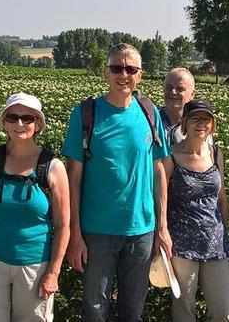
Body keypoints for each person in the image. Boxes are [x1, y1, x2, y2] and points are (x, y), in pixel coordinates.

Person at [63, 43, 171, 321]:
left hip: (142, 230)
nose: (124, 74)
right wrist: (75, 234)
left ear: (140, 76)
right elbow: (72, 179)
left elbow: (158, 170)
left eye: (131, 69)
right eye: (117, 68)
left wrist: (163, 227)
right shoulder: (86, 114)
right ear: (105, 73)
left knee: (133, 312)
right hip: (97, 231)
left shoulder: (149, 113)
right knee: (94, 311)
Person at [0, 92, 70, 322]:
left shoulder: (52, 167)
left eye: (27, 118)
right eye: (12, 117)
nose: (19, 124)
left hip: (36, 267)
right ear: (4, 122)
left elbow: (63, 226)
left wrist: (53, 272)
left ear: (38, 124)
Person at [163, 99, 229, 322]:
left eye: (206, 119)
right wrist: (161, 233)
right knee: (184, 305)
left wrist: (224, 233)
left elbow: (222, 198)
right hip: (182, 242)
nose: (201, 124)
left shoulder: (216, 153)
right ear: (184, 123)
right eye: (195, 118)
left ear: (212, 124)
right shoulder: (170, 156)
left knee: (222, 307)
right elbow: (160, 199)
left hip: (214, 241)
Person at [159, 67, 212, 146]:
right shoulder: (151, 120)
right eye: (169, 88)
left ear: (192, 94)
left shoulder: (201, 127)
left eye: (180, 89)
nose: (173, 92)